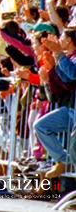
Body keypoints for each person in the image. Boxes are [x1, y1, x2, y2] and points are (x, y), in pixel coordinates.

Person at [34, 29, 76, 178]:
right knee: (41, 126)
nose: (59, 40)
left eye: (62, 37)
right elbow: (65, 82)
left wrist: (58, 54)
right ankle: (63, 161)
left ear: (70, 40)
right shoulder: (67, 57)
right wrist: (52, 69)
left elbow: (72, 74)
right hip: (70, 107)